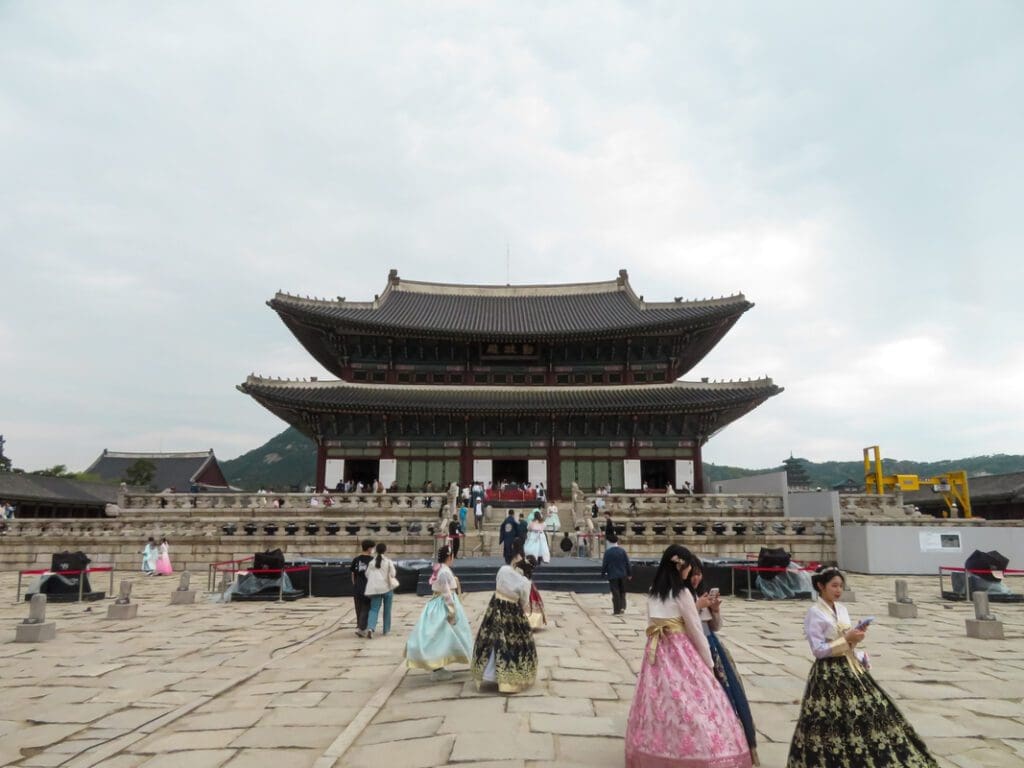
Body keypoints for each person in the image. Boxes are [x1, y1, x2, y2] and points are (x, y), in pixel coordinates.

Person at [786, 567, 938, 768]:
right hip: (828, 673)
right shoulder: (814, 613)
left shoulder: (842, 609)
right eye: (834, 586)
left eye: (841, 586)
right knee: (829, 720)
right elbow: (818, 650)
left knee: (873, 710)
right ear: (821, 586)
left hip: (850, 666)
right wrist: (846, 639)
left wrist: (856, 640)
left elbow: (847, 640)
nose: (838, 590)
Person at [625, 545, 752, 768]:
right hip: (681, 651)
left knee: (658, 701)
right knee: (695, 701)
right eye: (687, 570)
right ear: (680, 568)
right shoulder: (682, 594)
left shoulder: (654, 591)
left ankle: (653, 750)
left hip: (657, 651)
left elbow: (652, 622)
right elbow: (695, 629)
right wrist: (709, 663)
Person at [687, 559, 759, 765]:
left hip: (712, 647)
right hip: (692, 650)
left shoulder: (701, 595)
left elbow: (715, 627)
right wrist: (695, 607)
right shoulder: (682, 596)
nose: (695, 578)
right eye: (692, 574)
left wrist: (715, 610)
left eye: (698, 574)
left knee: (726, 695)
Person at [471, 544, 538, 693]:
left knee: (490, 639)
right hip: (512, 611)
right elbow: (524, 603)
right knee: (511, 643)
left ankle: (486, 672)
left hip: (495, 606)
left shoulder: (503, 569)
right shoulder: (526, 583)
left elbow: (497, 584)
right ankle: (508, 678)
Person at [405, 545, 473, 679]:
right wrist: (451, 610)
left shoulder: (440, 568)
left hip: (439, 602)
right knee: (441, 634)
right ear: (449, 557)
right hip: (444, 604)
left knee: (446, 634)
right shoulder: (444, 572)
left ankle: (441, 664)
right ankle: (437, 667)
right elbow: (447, 593)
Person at [364, 543, 397, 639]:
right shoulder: (388, 561)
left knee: (374, 609)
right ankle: (386, 630)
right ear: (385, 550)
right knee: (387, 609)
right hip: (387, 588)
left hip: (375, 589)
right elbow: (393, 574)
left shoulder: (371, 563)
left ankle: (370, 628)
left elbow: (367, 574)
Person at [601, 533, 631, 615]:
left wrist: (603, 574)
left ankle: (616, 609)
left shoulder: (608, 552)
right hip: (623, 574)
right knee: (622, 591)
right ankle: (622, 607)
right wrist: (629, 573)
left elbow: (605, 564)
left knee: (615, 592)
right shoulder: (622, 551)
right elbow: (627, 563)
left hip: (613, 574)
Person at [351, 540, 375, 637]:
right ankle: (361, 628)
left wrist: (355, 584)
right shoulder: (372, 560)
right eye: (373, 548)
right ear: (369, 548)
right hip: (368, 586)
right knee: (366, 607)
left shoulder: (356, 559)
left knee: (358, 607)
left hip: (358, 586)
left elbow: (353, 574)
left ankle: (360, 626)